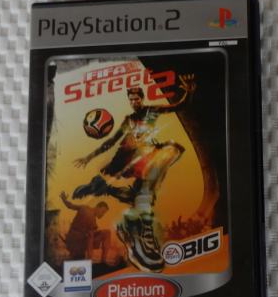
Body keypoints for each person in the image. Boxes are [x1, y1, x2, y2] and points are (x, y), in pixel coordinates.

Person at [71, 74, 195, 271]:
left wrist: (188, 93)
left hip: (147, 155)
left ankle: (134, 222)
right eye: (131, 100)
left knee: (169, 154)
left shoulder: (152, 110)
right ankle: (136, 227)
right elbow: (111, 142)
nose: (134, 102)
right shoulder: (128, 120)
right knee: (139, 193)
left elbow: (177, 106)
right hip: (127, 158)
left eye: (137, 99)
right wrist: (89, 157)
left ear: (142, 99)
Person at [59, 191, 109, 261]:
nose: (102, 215)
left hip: (73, 240)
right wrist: (90, 258)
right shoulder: (91, 218)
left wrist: (64, 199)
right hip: (76, 243)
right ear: (97, 207)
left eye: (104, 213)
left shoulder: (84, 207)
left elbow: (70, 206)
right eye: (102, 211)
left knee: (105, 233)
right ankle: (100, 261)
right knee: (103, 233)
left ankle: (101, 261)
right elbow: (90, 238)